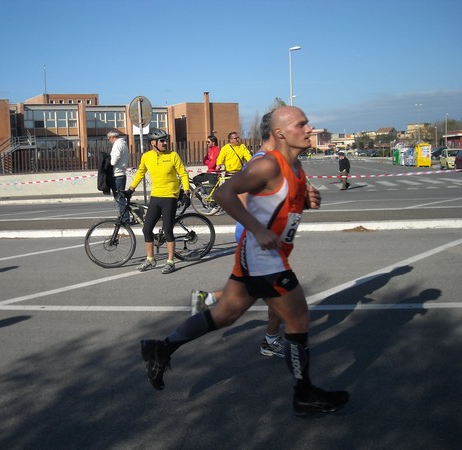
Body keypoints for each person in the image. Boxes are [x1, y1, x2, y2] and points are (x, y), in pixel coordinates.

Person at [140, 106, 349, 416]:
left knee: (224, 315)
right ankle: (303, 394)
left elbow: (283, 201)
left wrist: (307, 198)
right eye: (301, 124)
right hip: (264, 258)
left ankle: (162, 347)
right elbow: (224, 193)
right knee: (298, 317)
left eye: (307, 123)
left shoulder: (296, 167)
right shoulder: (268, 165)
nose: (309, 129)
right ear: (280, 133)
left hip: (262, 255)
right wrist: (257, 229)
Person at [191, 112, 285, 358]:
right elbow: (237, 196)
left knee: (253, 290)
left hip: (258, 236)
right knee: (278, 293)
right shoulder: (263, 162)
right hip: (255, 237)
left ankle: (207, 300)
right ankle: (270, 340)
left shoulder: (262, 158)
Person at [126, 129, 191, 274]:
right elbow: (140, 173)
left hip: (170, 196)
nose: (165, 143)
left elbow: (183, 173)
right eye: (162, 140)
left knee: (168, 229)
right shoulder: (146, 156)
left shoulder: (172, 155)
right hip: (156, 196)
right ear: (152, 143)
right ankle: (150, 259)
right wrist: (130, 189)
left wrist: (186, 192)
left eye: (165, 140)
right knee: (146, 229)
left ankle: (170, 262)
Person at [108, 129, 129, 219]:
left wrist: (109, 163)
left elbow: (114, 161)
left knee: (119, 198)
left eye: (109, 139)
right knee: (120, 198)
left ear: (112, 137)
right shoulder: (123, 144)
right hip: (121, 173)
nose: (109, 141)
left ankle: (124, 218)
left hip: (117, 174)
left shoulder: (117, 144)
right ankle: (124, 216)